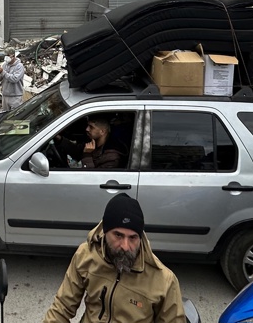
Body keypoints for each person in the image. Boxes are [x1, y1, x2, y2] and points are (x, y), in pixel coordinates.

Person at [43, 193, 185, 323]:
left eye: (133, 238)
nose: (125, 246)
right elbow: (62, 307)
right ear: (105, 231)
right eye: (118, 235)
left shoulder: (164, 281)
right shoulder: (85, 255)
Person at [54, 116, 126, 169]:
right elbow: (76, 151)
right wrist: (60, 139)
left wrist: (87, 155)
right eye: (87, 126)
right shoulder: (93, 142)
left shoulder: (111, 157)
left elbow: (92, 178)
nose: (87, 129)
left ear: (102, 132)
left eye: (91, 127)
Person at [0, 46, 25, 111]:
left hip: (15, 96)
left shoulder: (19, 66)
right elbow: (0, 79)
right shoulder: (4, 65)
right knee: (5, 116)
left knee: (15, 117)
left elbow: (14, 79)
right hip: (5, 95)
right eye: (5, 55)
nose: (6, 57)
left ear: (13, 56)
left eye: (8, 55)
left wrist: (2, 71)